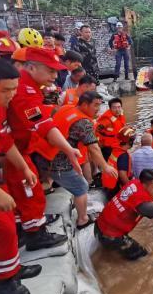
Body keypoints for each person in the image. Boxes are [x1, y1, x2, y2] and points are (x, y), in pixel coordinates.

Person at [6, 47, 80, 250]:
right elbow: (42, 124)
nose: (55, 76)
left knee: (24, 192)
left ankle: (27, 228)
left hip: (16, 148)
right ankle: (35, 236)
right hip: (12, 151)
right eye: (50, 71)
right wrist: (68, 149)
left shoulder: (27, 86)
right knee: (31, 191)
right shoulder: (24, 91)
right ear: (31, 67)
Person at [0, 59, 42, 294]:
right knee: (2, 226)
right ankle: (4, 281)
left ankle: (10, 272)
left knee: (7, 223)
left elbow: (4, 140)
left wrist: (23, 167)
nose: (11, 95)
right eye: (5, 90)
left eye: (14, 89)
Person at [35, 92, 118, 229]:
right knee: (81, 187)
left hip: (42, 153)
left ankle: (37, 202)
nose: (98, 109)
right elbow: (94, 148)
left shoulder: (67, 107)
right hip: (57, 161)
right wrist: (105, 167)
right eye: (95, 105)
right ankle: (82, 220)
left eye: (100, 105)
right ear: (85, 105)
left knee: (46, 182)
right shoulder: (84, 122)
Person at [102, 127, 136, 199]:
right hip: (115, 188)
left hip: (109, 185)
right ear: (129, 142)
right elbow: (122, 175)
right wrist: (130, 188)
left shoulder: (116, 149)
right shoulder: (123, 156)